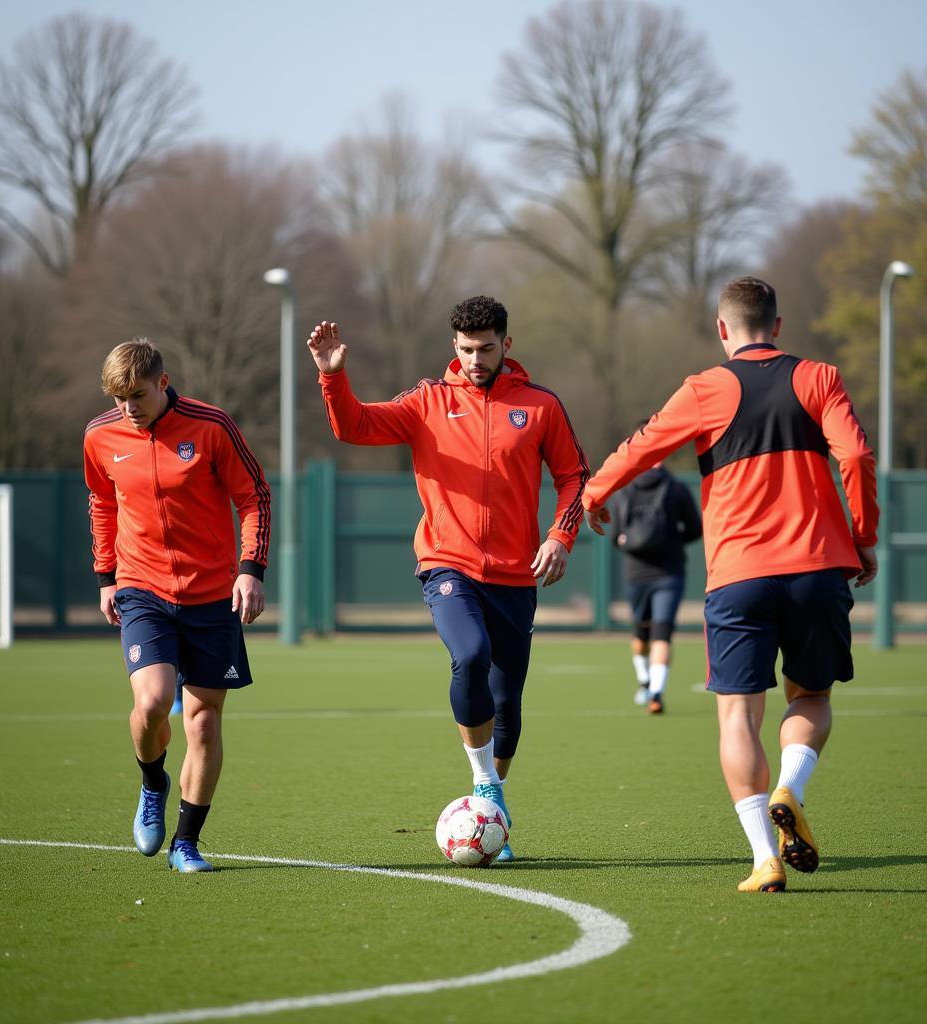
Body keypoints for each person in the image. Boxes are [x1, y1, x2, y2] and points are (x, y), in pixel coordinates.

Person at [583, 277, 878, 892]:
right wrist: (863, 534)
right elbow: (854, 457)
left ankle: (763, 858)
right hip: (818, 568)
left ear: (723, 330)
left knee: (737, 719)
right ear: (778, 324)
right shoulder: (819, 377)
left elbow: (639, 450)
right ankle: (790, 788)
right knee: (811, 700)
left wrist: (592, 494)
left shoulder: (704, 388)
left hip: (739, 576)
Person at [308, 296, 588, 861]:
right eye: (466, 349)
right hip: (447, 563)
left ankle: (493, 808)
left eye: (487, 348)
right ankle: (483, 783)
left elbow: (573, 476)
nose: (476, 358)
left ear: (507, 345)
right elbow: (356, 427)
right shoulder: (427, 400)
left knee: (507, 704)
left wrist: (560, 536)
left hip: (516, 575)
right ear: (453, 348)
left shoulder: (541, 407)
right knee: (471, 654)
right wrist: (333, 378)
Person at [84, 339, 271, 873]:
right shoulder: (100, 435)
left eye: (137, 395)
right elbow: (100, 501)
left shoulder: (211, 427)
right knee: (151, 704)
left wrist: (249, 569)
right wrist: (105, 576)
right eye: (119, 398)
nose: (128, 408)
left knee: (204, 723)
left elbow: (254, 496)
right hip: (141, 588)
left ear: (163, 383)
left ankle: (186, 843)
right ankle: (152, 781)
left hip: (213, 595)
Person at [607, 436, 702, 714]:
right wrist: (672, 541)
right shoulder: (676, 488)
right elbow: (695, 528)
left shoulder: (624, 489)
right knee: (662, 632)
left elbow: (615, 536)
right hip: (669, 571)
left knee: (643, 632)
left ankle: (647, 683)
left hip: (636, 572)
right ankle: (655, 692)